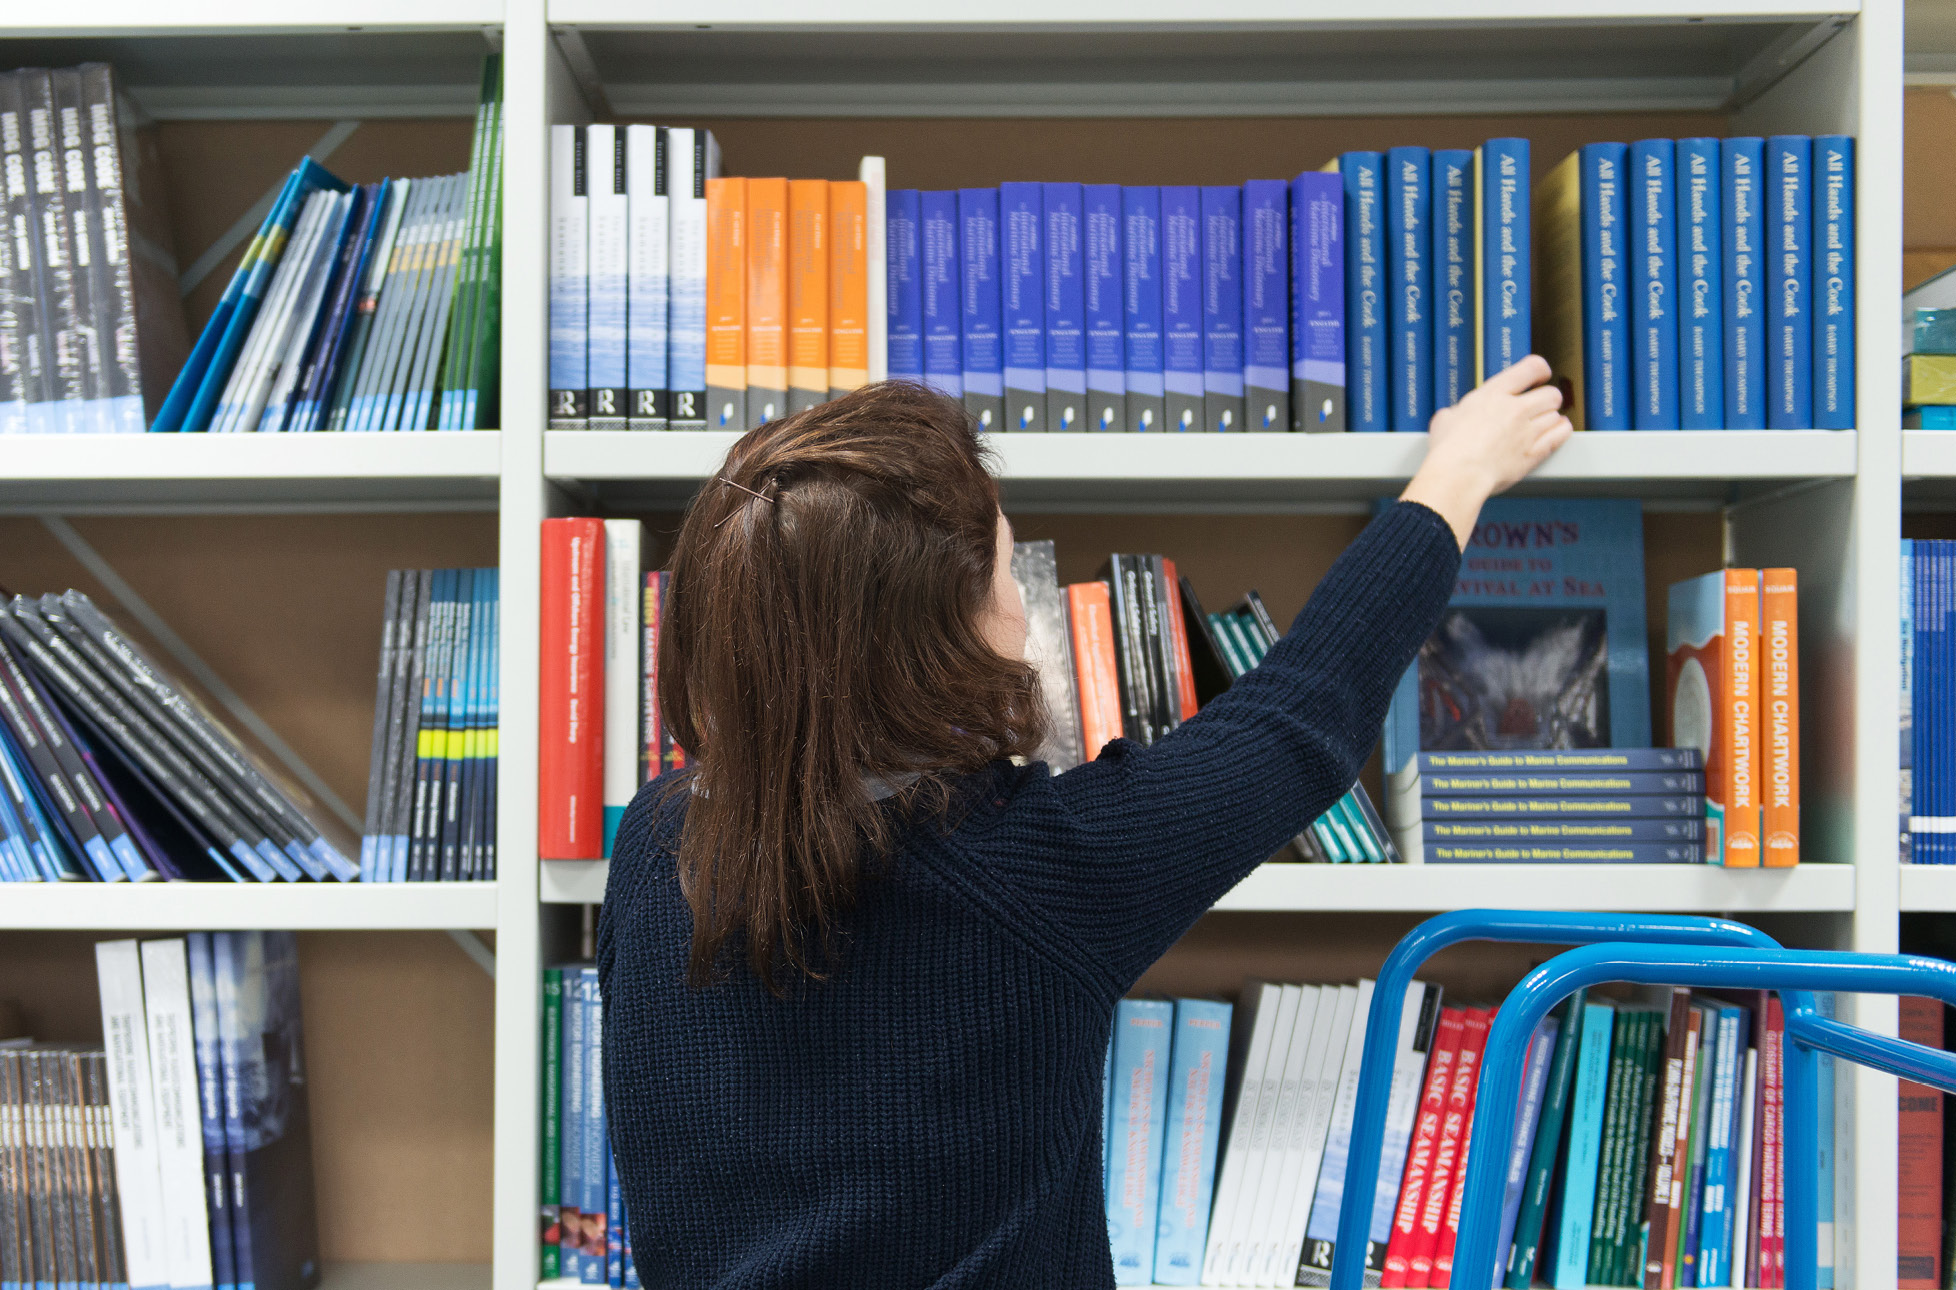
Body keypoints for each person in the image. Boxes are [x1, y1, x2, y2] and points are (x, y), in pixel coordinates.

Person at [599, 358, 1574, 1289]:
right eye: (1004, 571)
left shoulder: (649, 850)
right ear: (932, 645)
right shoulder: (1041, 874)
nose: (1025, 605)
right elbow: (1303, 712)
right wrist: (1461, 469)